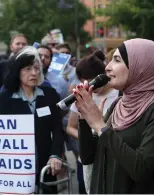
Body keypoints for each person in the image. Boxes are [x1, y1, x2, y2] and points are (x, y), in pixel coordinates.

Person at [74, 39, 154, 194]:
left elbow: (140, 169)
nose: (107, 67)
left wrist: (100, 125)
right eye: (110, 60)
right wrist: (84, 116)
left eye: (117, 60)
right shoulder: (118, 104)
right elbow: (88, 157)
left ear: (141, 66)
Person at [0, 46, 64, 194]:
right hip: (16, 166)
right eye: (27, 69)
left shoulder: (50, 94)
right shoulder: (5, 97)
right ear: (17, 71)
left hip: (46, 164)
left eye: (36, 68)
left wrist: (56, 155)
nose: (33, 73)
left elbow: (58, 129)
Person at [66, 50, 119, 194]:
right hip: (86, 158)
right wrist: (87, 137)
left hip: (110, 158)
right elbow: (70, 127)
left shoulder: (118, 95)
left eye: (92, 82)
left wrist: (102, 131)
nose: (88, 86)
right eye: (83, 81)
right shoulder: (81, 95)